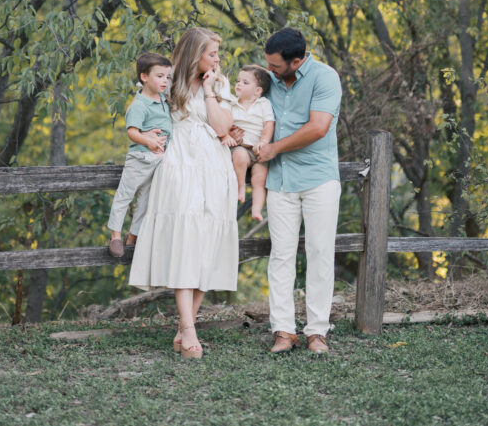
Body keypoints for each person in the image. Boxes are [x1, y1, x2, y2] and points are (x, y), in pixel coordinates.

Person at [128, 28, 239, 359]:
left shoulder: (218, 84)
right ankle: (189, 329)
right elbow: (141, 111)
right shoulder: (167, 80)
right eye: (212, 53)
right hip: (179, 166)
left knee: (208, 241)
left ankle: (184, 328)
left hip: (215, 168)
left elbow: (222, 128)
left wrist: (208, 91)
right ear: (194, 53)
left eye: (218, 53)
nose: (218, 59)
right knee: (185, 241)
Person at [255, 27, 342, 355]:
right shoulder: (269, 79)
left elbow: (319, 127)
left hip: (319, 179)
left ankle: (317, 332)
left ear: (296, 61)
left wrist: (275, 148)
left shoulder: (324, 77)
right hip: (279, 181)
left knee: (320, 253)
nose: (270, 71)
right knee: (281, 256)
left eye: (276, 66)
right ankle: (283, 330)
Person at [105, 53, 173, 259]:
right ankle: (115, 235)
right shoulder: (140, 104)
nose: (164, 81)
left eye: (167, 77)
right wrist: (148, 140)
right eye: (159, 76)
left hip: (159, 161)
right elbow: (132, 132)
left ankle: (133, 236)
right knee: (125, 195)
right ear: (144, 77)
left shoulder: (163, 99)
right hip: (141, 158)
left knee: (146, 201)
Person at [220, 65, 274, 220]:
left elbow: (269, 124)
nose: (238, 84)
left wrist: (263, 141)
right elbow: (226, 123)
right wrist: (226, 135)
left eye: (245, 82)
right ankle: (241, 187)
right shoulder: (231, 103)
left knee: (259, 179)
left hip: (258, 151)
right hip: (241, 147)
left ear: (257, 91)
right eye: (238, 81)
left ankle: (256, 210)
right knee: (240, 157)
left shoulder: (263, 104)